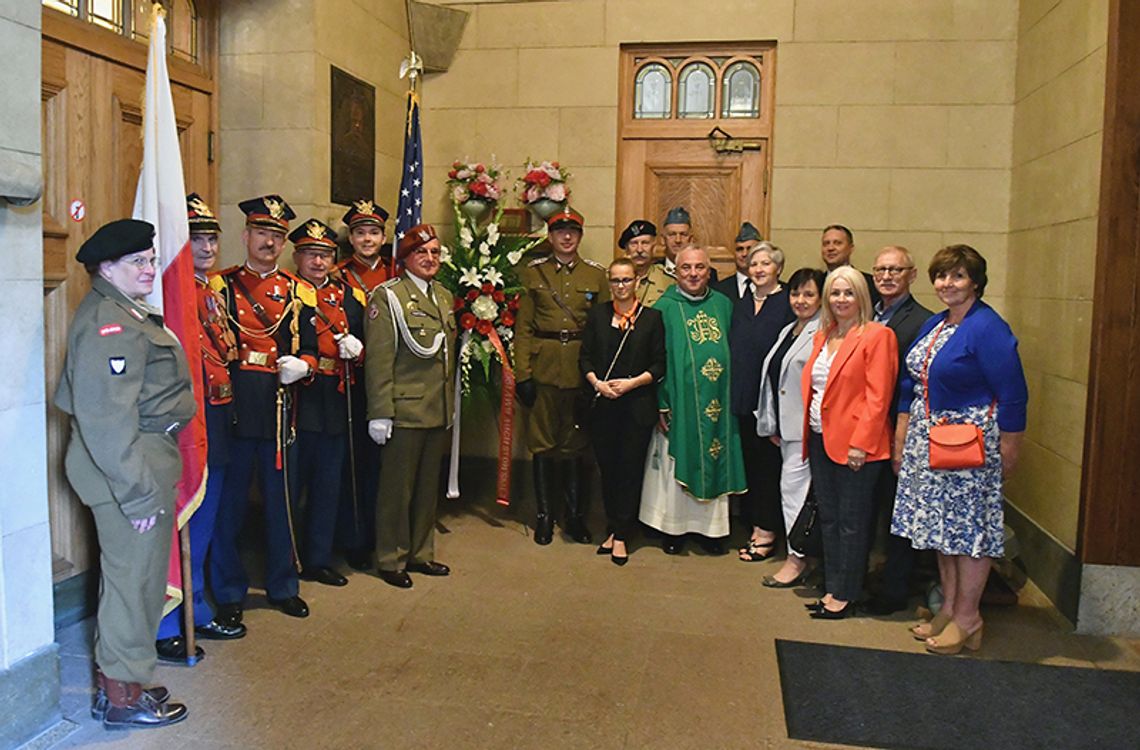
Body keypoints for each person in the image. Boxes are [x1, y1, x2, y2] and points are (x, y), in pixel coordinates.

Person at [55, 219, 195, 729]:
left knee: (139, 579)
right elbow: (106, 422)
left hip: (141, 459)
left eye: (151, 259)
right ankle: (120, 696)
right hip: (124, 470)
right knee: (132, 582)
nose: (149, 268)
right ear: (106, 268)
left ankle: (127, 678)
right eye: (137, 262)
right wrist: (137, 495)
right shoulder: (107, 323)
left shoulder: (127, 312)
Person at [891, 245, 1027, 655]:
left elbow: (1014, 394)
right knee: (942, 532)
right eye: (942, 276)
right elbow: (908, 386)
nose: (947, 284)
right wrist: (902, 440)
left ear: (976, 282)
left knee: (969, 534)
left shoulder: (987, 327)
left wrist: (1010, 447)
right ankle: (949, 608)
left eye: (957, 276)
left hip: (969, 447)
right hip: (929, 443)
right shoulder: (937, 323)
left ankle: (969, 618)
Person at [210, 195, 316, 623]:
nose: (268, 242)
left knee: (281, 507)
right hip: (236, 411)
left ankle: (283, 585)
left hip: (279, 415)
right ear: (246, 236)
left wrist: (303, 365)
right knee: (229, 509)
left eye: (276, 235)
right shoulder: (221, 286)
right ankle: (229, 590)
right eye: (261, 234)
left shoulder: (299, 291)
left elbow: (310, 349)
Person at [154, 195, 246, 666]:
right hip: (189, 422)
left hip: (218, 415)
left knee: (208, 516)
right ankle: (170, 620)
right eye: (197, 238)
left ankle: (200, 605)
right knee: (185, 515)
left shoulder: (209, 289)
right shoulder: (173, 292)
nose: (207, 247)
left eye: (212, 238)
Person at [801, 267, 897, 619]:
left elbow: (878, 396)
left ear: (861, 297)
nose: (841, 300)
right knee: (829, 518)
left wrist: (862, 443)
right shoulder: (824, 335)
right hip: (820, 438)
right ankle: (833, 586)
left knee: (852, 521)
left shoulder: (876, 335)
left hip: (857, 446)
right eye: (835, 293)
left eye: (849, 293)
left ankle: (846, 593)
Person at [365, 223, 457, 589]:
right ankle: (391, 557)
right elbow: (379, 360)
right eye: (422, 252)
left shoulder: (444, 296)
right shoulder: (388, 298)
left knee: (425, 489)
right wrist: (380, 412)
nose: (430, 259)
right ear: (405, 259)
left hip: (436, 408)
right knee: (396, 491)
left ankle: (421, 553)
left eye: (435, 252)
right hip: (404, 410)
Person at [639, 247, 745, 555]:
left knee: (716, 454)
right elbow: (655, 359)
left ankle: (712, 531)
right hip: (679, 402)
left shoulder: (724, 305)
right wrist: (662, 401)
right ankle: (674, 528)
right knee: (678, 462)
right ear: (676, 271)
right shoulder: (663, 307)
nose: (694, 273)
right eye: (686, 268)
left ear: (709, 271)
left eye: (700, 267)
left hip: (720, 402)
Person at [514, 207, 609, 545]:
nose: (566, 237)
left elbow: (602, 331)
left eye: (573, 232)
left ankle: (575, 517)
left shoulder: (597, 276)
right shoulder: (533, 273)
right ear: (550, 237)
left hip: (581, 369)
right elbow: (523, 327)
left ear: (580, 236)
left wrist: (597, 377)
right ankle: (544, 516)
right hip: (543, 367)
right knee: (542, 444)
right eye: (559, 232)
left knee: (575, 445)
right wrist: (523, 374)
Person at [289, 219, 367, 588]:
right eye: (310, 254)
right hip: (299, 398)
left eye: (325, 255)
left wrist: (358, 352)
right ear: (297, 257)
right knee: (291, 484)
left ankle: (319, 557)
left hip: (335, 398)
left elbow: (365, 340)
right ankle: (287, 555)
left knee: (327, 484)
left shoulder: (349, 296)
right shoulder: (287, 292)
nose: (318, 262)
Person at [579, 258, 666, 565]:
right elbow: (585, 357)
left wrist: (631, 384)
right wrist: (596, 384)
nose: (620, 286)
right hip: (603, 405)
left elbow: (659, 364)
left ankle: (622, 535)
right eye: (615, 280)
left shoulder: (652, 318)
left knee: (629, 471)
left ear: (637, 282)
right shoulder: (598, 315)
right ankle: (613, 527)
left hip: (636, 407)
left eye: (626, 280)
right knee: (608, 470)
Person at [864, 246, 933, 615]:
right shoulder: (866, 315)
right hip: (863, 431)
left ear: (912, 274)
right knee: (868, 509)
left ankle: (893, 591)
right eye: (880, 270)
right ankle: (866, 577)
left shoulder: (923, 320)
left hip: (897, 429)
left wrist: (902, 435)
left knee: (895, 512)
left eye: (895, 270)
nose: (887, 277)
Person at [756, 268, 827, 587]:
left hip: (808, 430)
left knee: (794, 494)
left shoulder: (825, 331)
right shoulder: (790, 330)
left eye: (809, 294)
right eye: (796, 294)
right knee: (794, 493)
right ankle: (806, 557)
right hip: (785, 429)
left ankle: (796, 559)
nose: (801, 300)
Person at [728, 242, 793, 562]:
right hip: (740, 399)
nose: (759, 269)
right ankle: (755, 524)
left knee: (769, 469)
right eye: (754, 264)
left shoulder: (787, 303)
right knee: (750, 466)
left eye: (766, 263)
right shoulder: (739, 303)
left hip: (771, 403)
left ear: (778, 268)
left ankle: (766, 533)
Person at [335, 199, 390, 571]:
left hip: (389, 381)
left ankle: (385, 534)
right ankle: (355, 538)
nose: (367, 239)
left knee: (388, 465)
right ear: (351, 239)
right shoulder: (338, 275)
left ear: (384, 237)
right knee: (355, 464)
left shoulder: (397, 273)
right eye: (359, 233)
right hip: (352, 379)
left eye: (373, 232)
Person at [819, 224, 879, 306]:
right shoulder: (816, 283)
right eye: (826, 243)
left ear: (851, 248)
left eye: (837, 243)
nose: (830, 248)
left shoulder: (869, 283)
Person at [619, 219, 671, 307]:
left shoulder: (667, 280)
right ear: (626, 249)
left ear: (654, 248)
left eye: (645, 243)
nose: (639, 250)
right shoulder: (613, 278)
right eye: (634, 244)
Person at [658, 206, 717, 282]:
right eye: (672, 234)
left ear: (691, 239)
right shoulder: (653, 271)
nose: (678, 240)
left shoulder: (707, 274)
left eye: (683, 234)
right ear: (663, 239)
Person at [714, 222, 762, 301]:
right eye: (739, 249)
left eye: (749, 248)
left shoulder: (774, 289)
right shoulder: (718, 290)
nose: (744, 254)